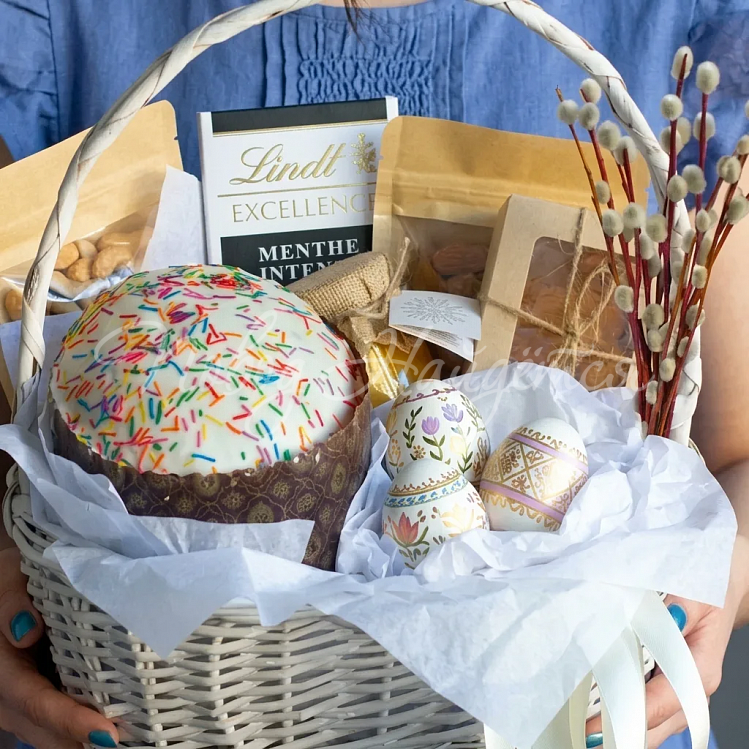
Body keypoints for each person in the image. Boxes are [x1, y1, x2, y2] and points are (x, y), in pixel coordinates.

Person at [1, 0, 748, 747]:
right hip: (175, 700)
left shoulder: (674, 26)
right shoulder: (63, 19)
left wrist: (718, 570)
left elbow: (736, 455)